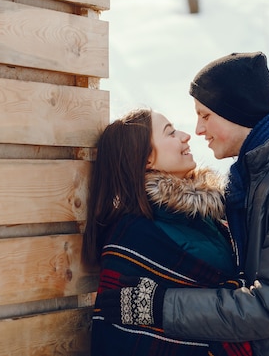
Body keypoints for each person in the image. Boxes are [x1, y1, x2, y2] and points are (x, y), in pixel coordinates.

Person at [97, 52, 269, 356]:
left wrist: (160, 305)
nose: (197, 131)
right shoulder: (257, 182)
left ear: (235, 112)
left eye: (205, 115)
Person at [83, 108, 252, 356]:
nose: (186, 136)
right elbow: (121, 338)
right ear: (147, 159)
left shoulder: (212, 217)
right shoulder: (133, 236)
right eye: (170, 133)